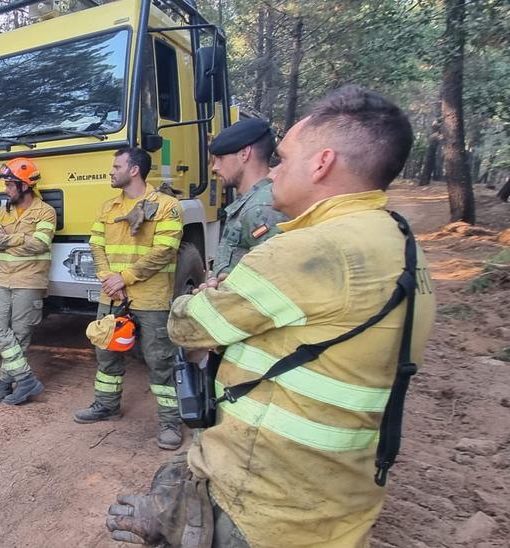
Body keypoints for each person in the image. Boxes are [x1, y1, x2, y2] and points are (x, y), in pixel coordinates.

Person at [106, 86, 436, 547]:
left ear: (321, 163)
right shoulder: (400, 241)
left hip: (267, 502)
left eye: (282, 159)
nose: (274, 171)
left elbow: (186, 325)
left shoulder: (311, 249)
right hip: (333, 496)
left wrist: (199, 300)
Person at [73, 147, 186, 450]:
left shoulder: (167, 205)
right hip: (111, 296)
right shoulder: (108, 207)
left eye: (116, 165)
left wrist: (124, 278)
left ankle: (170, 422)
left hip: (150, 298)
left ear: (134, 170)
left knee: (159, 360)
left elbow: (164, 251)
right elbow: (95, 245)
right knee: (106, 354)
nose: (111, 171)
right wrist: (109, 280)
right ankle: (106, 405)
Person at [0, 157, 56, 405]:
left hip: (29, 281)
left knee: (20, 334)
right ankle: (25, 379)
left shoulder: (45, 211)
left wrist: (9, 237)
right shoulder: (4, 210)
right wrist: (21, 238)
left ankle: (6, 382)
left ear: (25, 185)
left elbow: (39, 244)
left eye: (10, 184)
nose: (6, 189)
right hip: (3, 278)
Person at [208, 118, 288, 277]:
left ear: (245, 154)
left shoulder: (263, 208)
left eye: (220, 158)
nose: (215, 167)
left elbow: (272, 279)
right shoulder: (253, 202)